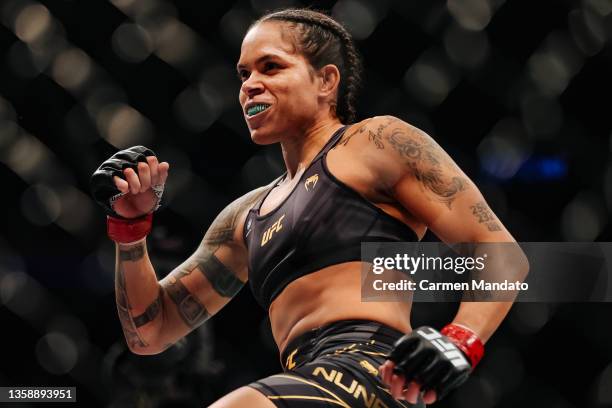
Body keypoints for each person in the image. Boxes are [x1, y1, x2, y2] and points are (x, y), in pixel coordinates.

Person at [90, 8, 528, 407]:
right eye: (243, 74)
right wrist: (130, 227)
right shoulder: (246, 215)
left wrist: (460, 339)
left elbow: (501, 252)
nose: (249, 86)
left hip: (374, 370)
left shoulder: (375, 143)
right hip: (306, 381)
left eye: (271, 66)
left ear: (326, 81)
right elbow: (150, 331)